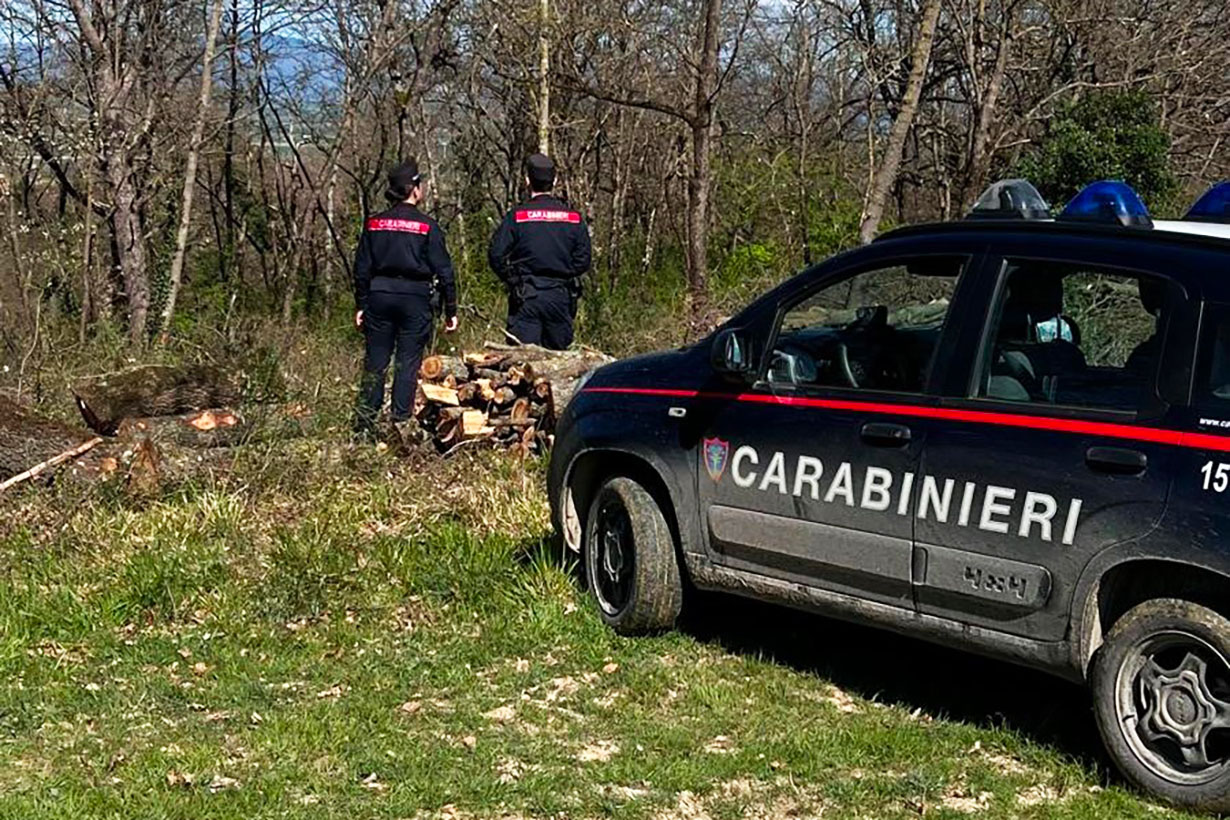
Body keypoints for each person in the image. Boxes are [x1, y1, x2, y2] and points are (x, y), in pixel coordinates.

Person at [353, 159, 458, 436]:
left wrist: (361, 304)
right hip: (415, 298)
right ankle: (400, 424)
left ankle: (363, 425)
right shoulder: (427, 226)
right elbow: (444, 270)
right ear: (414, 189)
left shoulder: (374, 223)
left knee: (375, 362)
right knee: (407, 363)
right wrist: (451, 309)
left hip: (379, 296)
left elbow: (361, 267)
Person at [488, 153, 591, 349]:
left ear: (527, 181)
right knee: (559, 364)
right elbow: (583, 260)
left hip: (526, 296)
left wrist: (513, 280)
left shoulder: (518, 216)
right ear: (555, 181)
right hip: (560, 297)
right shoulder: (573, 218)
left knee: (520, 363)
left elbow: (496, 254)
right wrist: (564, 274)